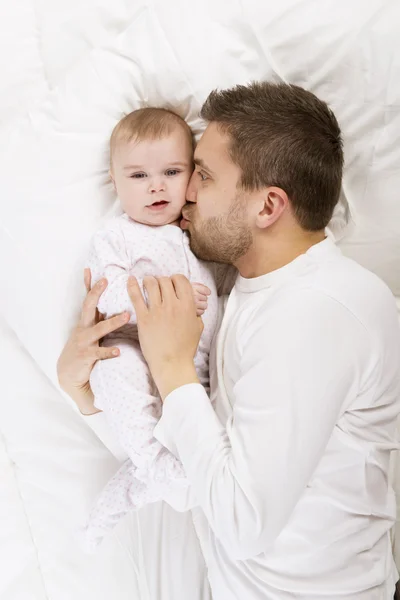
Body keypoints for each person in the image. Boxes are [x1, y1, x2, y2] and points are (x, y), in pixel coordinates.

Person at [58, 82, 400, 599]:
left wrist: (170, 364)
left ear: (268, 207)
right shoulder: (246, 295)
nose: (185, 190)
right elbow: (192, 464)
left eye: (204, 175)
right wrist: (85, 389)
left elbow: (242, 523)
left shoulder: (321, 309)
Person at [80, 107, 218, 551]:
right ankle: (150, 464)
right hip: (135, 352)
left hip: (194, 370)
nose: (156, 186)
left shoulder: (197, 233)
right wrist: (163, 294)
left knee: (194, 440)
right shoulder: (116, 235)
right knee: (114, 370)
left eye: (171, 171)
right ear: (115, 181)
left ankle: (138, 486)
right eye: (138, 176)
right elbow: (106, 292)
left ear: (192, 177)